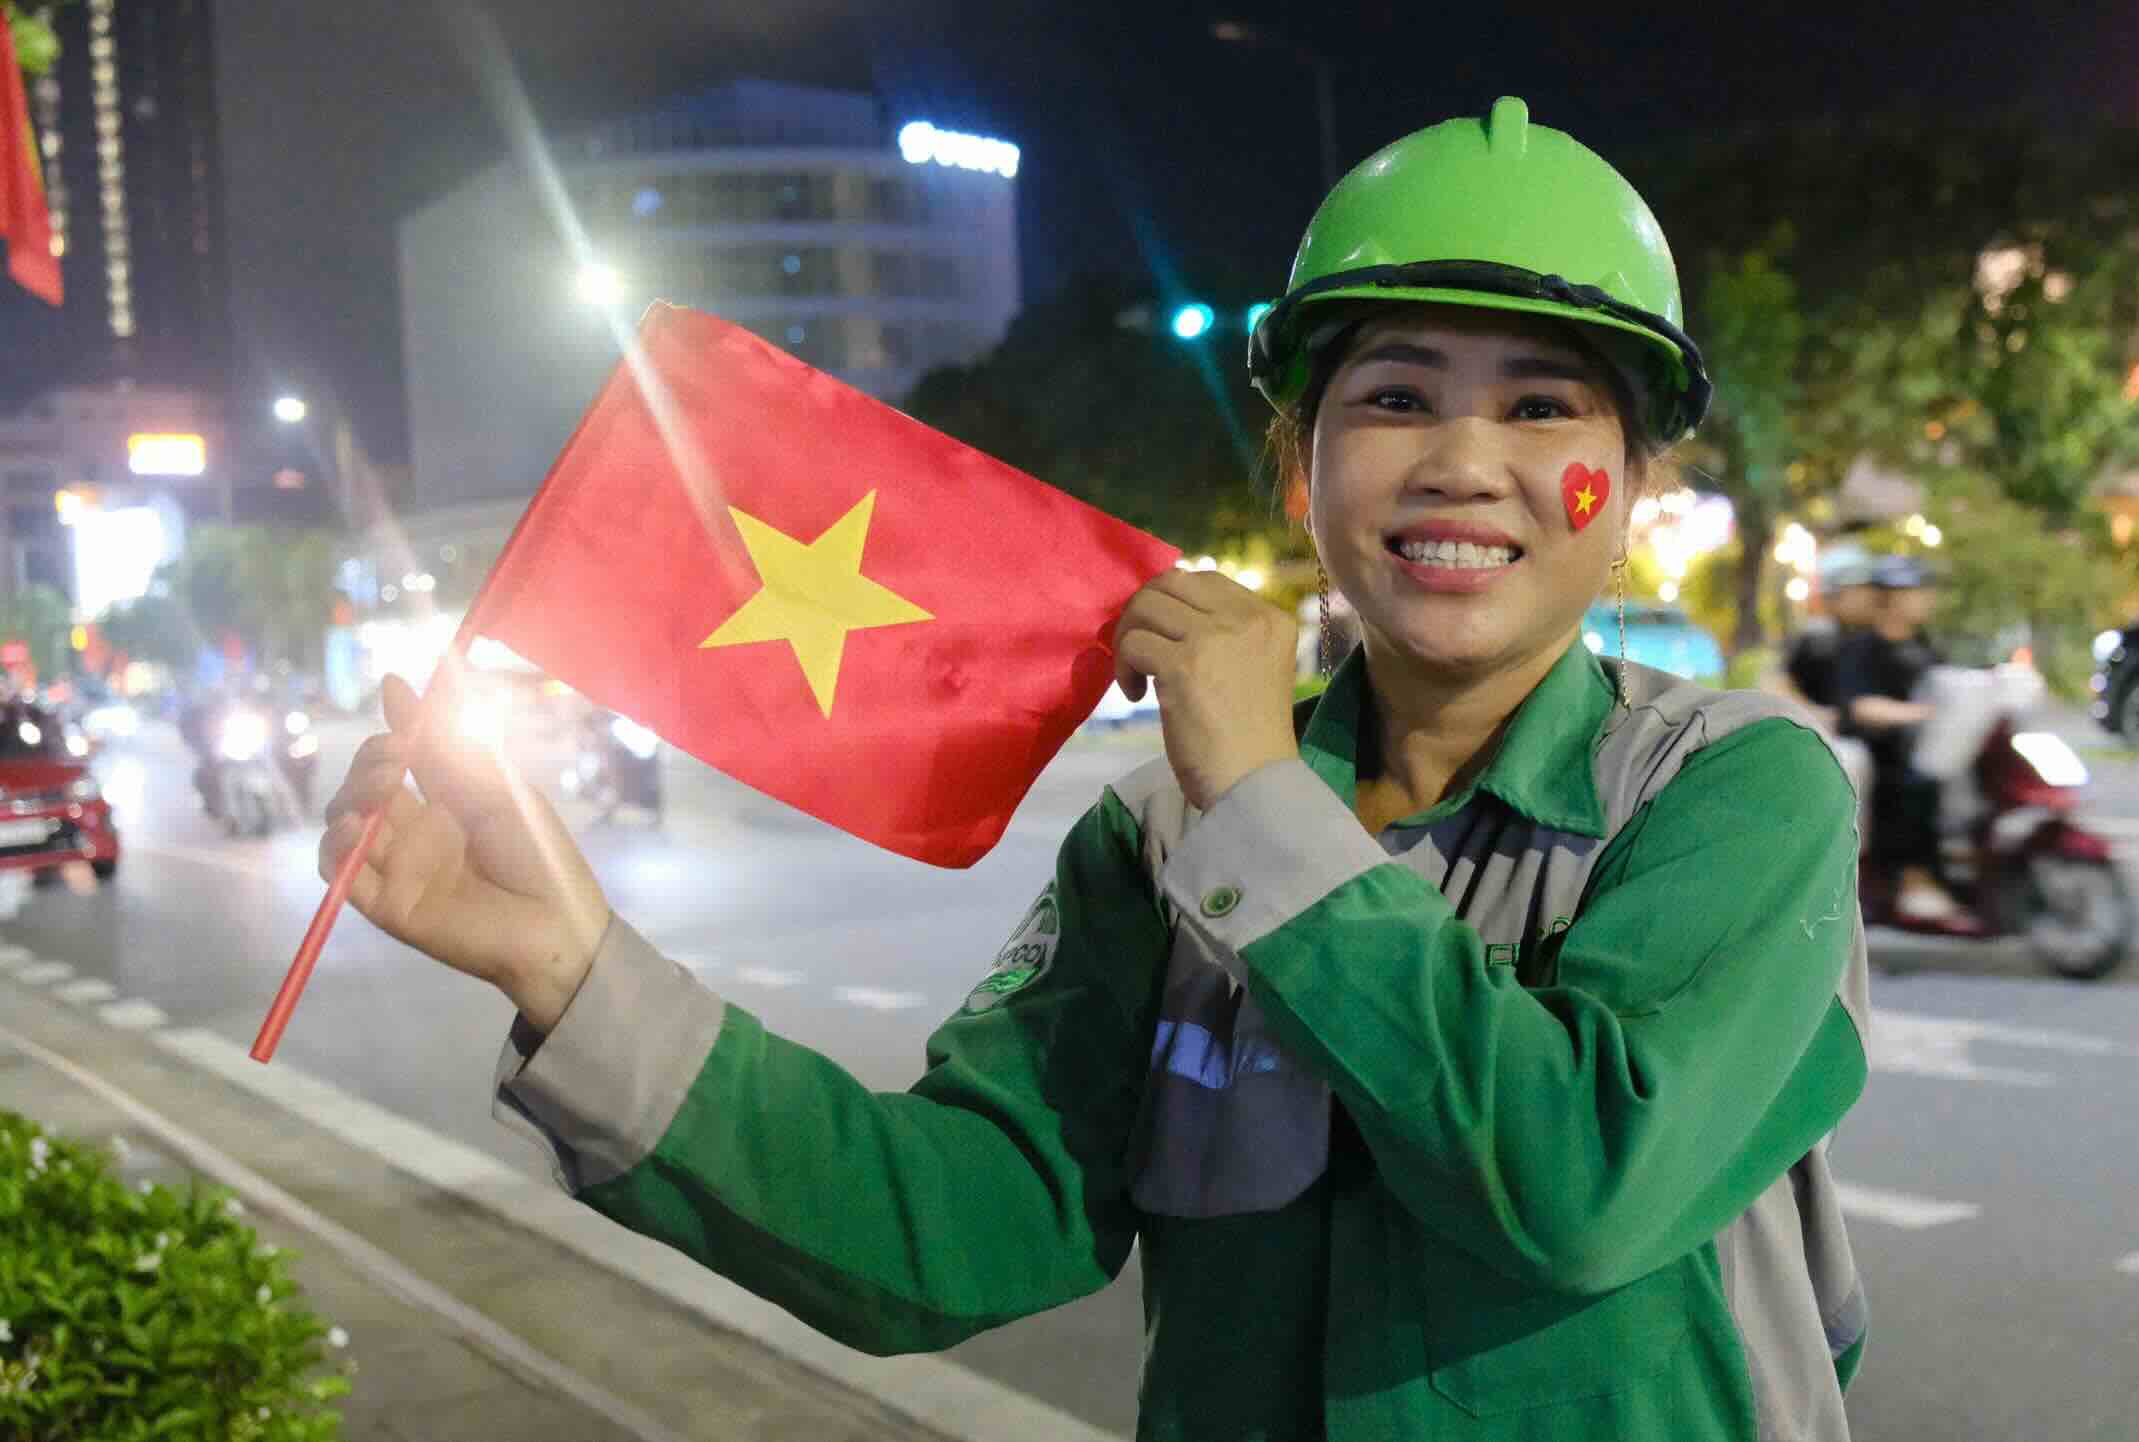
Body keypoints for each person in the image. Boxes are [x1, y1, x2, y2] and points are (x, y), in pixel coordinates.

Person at [320, 98, 1873, 1441]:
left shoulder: (1737, 791)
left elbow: (1585, 1183)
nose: (1465, 462)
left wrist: (1262, 809)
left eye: (1543, 404)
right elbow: (943, 1229)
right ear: (1304, 465)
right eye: (1395, 397)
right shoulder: (1160, 838)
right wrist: (566, 962)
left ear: (1636, 486)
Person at [1835, 554, 1980, 931]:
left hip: (1928, 749)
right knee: (1914, 786)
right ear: (1892, 597)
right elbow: (1861, 707)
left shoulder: (1926, 647)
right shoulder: (1862, 649)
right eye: (1919, 591)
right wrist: (1920, 714)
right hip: (1882, 754)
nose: (1927, 599)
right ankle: (1914, 882)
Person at [1774, 543, 1881, 730]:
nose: (1869, 597)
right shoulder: (1818, 637)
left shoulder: (1872, 633)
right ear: (1833, 595)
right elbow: (1777, 684)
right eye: (1859, 590)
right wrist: (1815, 716)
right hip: (1829, 737)